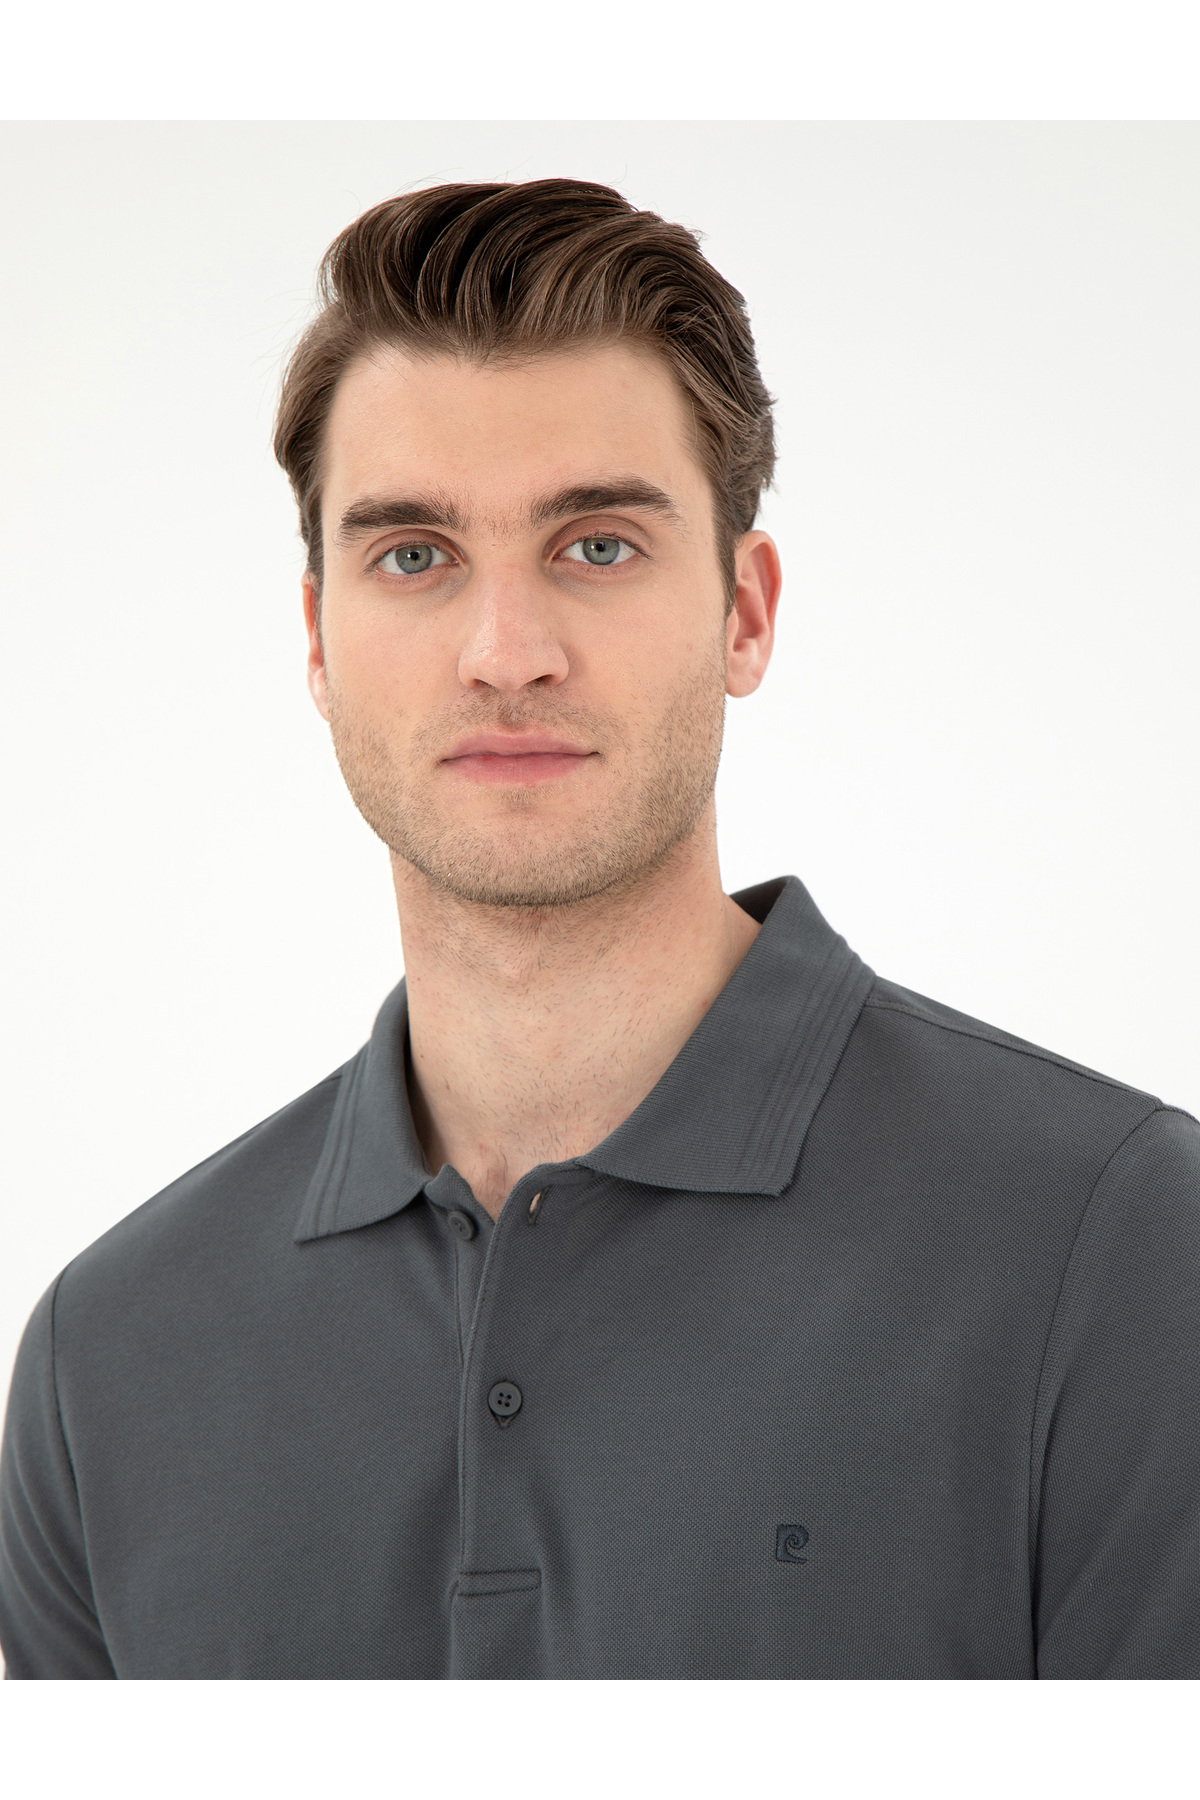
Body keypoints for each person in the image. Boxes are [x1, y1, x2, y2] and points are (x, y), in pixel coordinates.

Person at [1, 178, 1197, 1682]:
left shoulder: (1119, 1246)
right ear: (316, 639)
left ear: (745, 613)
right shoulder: (105, 1362)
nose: (507, 654)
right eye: (414, 554)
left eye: (600, 545)